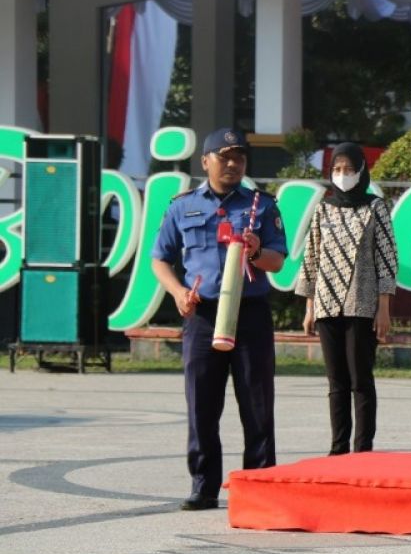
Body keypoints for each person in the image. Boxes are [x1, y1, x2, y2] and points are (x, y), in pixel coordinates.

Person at [152, 128, 288, 511]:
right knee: (202, 403)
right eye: (225, 157)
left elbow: (277, 261)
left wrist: (257, 251)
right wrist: (178, 292)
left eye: (239, 158)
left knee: (257, 402)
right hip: (203, 314)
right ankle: (204, 484)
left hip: (250, 314)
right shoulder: (182, 206)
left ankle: (259, 484)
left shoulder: (263, 205)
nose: (232, 164)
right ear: (206, 161)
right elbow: (159, 258)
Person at [296, 142, 398, 455]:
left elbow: (387, 257)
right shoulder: (323, 208)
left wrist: (383, 308)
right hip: (327, 304)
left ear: (361, 171)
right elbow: (311, 256)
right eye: (337, 170)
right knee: (335, 381)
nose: (343, 175)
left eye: (349, 169)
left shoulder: (375, 207)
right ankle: (338, 447)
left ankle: (362, 448)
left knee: (360, 379)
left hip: (362, 304)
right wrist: (309, 305)